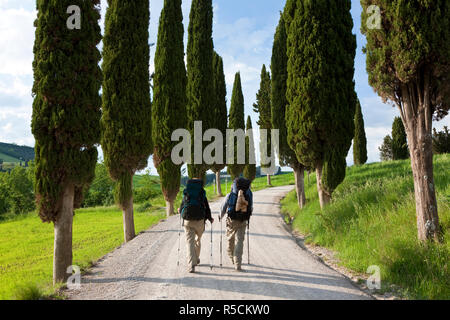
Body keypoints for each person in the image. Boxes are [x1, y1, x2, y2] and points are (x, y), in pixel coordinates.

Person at [178, 178, 214, 273]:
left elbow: (182, 206)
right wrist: (210, 218)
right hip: (199, 221)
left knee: (190, 242)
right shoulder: (202, 193)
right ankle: (196, 258)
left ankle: (191, 265)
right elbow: (206, 207)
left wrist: (180, 211)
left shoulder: (187, 193)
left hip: (188, 220)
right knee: (198, 240)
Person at [220, 177, 253, 271]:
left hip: (232, 220)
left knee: (230, 239)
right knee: (240, 241)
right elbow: (251, 206)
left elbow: (224, 207)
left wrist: (220, 216)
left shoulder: (231, 194)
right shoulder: (248, 193)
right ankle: (238, 264)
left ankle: (232, 258)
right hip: (243, 219)